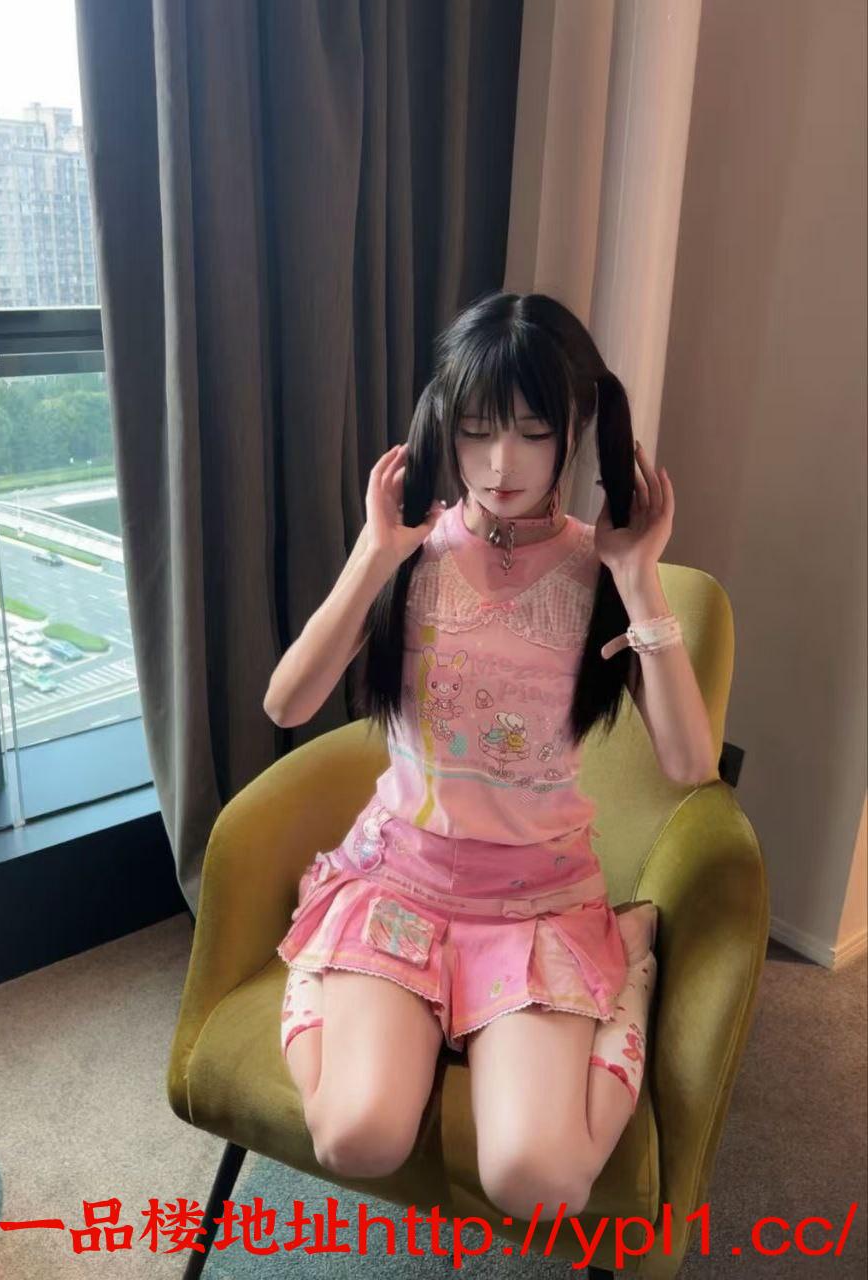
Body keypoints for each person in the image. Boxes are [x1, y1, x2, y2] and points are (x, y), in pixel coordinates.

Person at [264, 290, 717, 1218]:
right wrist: (373, 555)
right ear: (446, 424)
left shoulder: (600, 570)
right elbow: (287, 702)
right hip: (400, 883)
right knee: (354, 1136)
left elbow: (689, 764)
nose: (501, 464)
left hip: (537, 904)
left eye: (532, 433)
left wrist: (638, 580)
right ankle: (326, 963)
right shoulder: (409, 554)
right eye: (476, 432)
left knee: (539, 1181)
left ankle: (624, 970)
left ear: (574, 430)